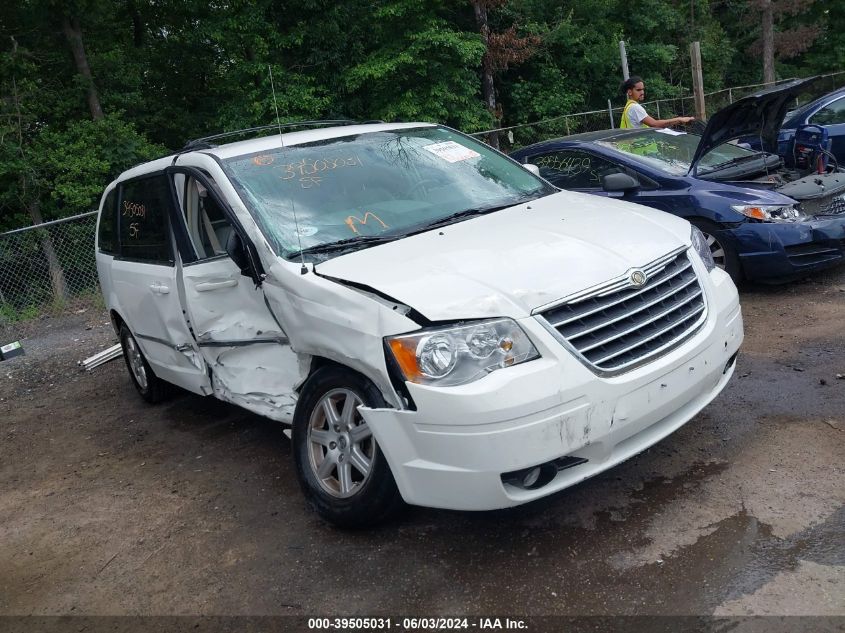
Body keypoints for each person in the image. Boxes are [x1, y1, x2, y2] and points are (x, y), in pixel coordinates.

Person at [620, 76, 695, 129]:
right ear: (630, 92)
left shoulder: (629, 106)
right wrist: (679, 119)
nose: (642, 92)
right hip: (643, 151)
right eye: (638, 90)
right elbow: (655, 124)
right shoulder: (635, 107)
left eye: (643, 89)